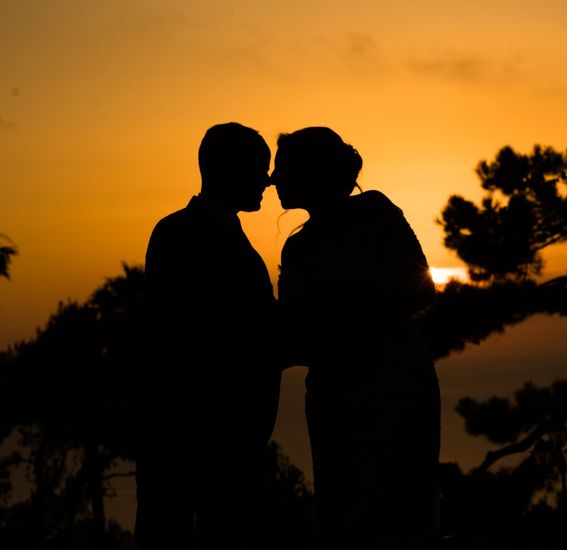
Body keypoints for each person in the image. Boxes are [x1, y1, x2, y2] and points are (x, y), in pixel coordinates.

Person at [273, 127, 440, 549]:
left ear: (314, 173)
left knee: (400, 511)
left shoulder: (375, 212)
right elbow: (292, 331)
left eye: (284, 168)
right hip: (336, 396)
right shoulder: (297, 249)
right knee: (341, 513)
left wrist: (337, 325)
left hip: (396, 388)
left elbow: (421, 289)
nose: (273, 178)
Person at [137, 122, 281, 549]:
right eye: (259, 168)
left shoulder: (197, 232)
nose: (267, 180)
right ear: (227, 170)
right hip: (199, 435)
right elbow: (192, 335)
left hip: (217, 435)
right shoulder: (181, 234)